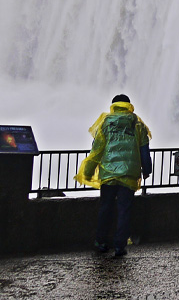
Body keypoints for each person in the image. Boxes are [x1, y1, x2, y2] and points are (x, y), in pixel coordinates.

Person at [74, 94, 152, 257]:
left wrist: (87, 171)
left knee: (105, 208)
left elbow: (96, 150)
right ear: (129, 106)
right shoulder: (138, 124)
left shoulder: (105, 123)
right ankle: (119, 246)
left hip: (108, 173)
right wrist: (147, 169)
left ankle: (101, 242)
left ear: (113, 106)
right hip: (129, 173)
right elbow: (144, 150)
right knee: (124, 210)